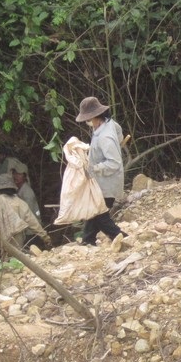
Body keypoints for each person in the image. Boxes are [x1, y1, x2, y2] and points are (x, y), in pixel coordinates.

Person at [75, 96, 127, 249]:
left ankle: (121, 237)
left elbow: (114, 163)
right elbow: (120, 134)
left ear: (94, 117)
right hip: (102, 181)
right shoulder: (108, 124)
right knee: (94, 212)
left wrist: (94, 168)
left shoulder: (105, 137)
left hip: (107, 183)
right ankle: (87, 240)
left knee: (100, 215)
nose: (87, 122)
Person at [0, 173, 51, 255]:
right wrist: (45, 237)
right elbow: (32, 222)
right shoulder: (20, 203)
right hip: (15, 238)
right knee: (15, 260)